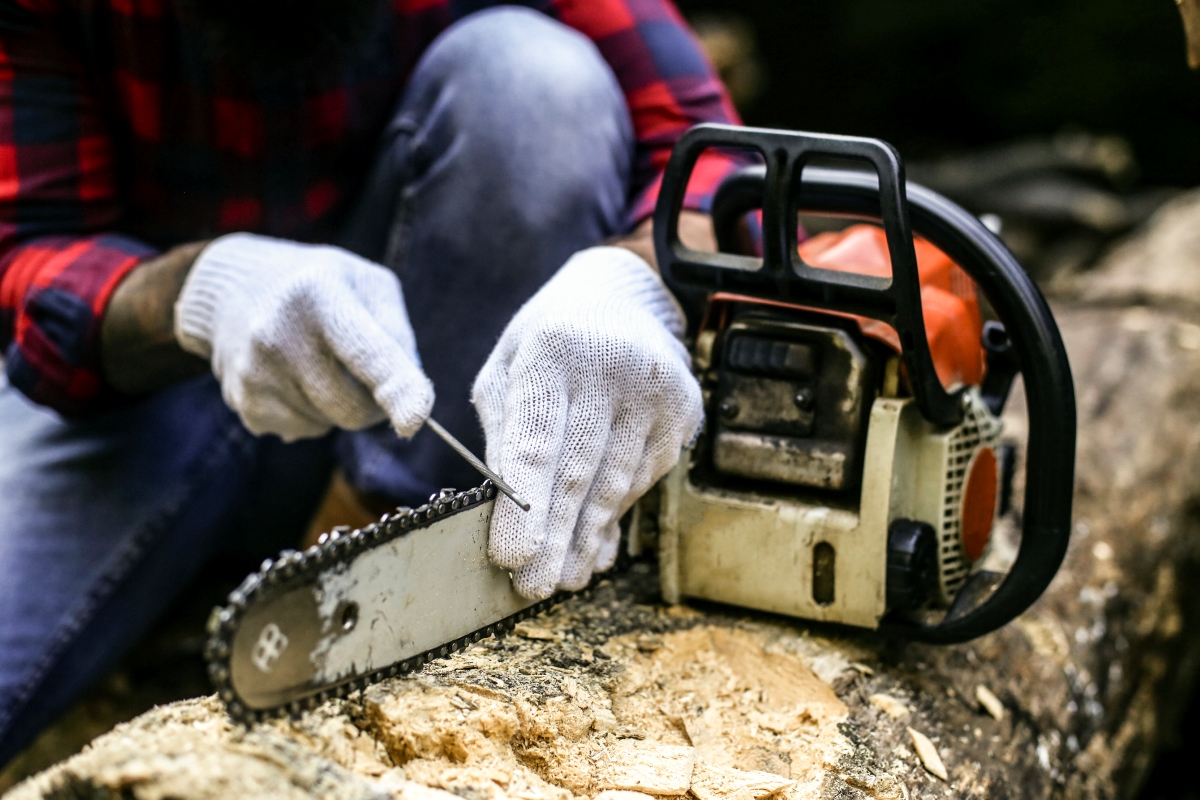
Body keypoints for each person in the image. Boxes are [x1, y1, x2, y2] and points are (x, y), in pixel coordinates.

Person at [0, 0, 743, 765]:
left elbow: (719, 162)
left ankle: (370, 551)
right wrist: (196, 291)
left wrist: (638, 278)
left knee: (534, 78)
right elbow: (25, 250)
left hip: (427, 391)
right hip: (145, 392)